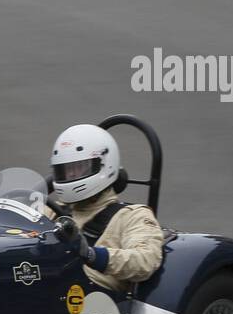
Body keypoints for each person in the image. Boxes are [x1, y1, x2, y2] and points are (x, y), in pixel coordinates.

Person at [46, 124, 164, 292]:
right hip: (47, 286)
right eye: (65, 170)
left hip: (92, 299)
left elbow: (145, 260)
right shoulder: (50, 210)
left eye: (79, 167)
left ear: (103, 165)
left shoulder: (131, 215)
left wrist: (93, 255)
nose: (71, 175)